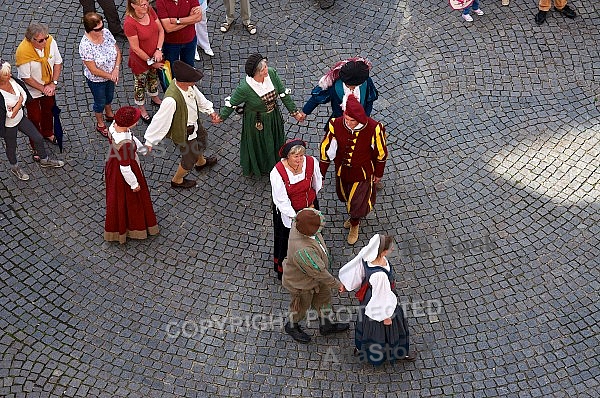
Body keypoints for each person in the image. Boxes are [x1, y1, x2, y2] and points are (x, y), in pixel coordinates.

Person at [216, 53, 305, 177]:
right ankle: (261, 166)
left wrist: (295, 113)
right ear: (257, 72)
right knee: (259, 143)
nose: (267, 69)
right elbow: (232, 104)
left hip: (273, 117)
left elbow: (283, 94)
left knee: (274, 139)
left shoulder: (272, 74)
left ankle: (276, 161)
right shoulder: (245, 88)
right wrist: (221, 117)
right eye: (264, 68)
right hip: (256, 121)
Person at [319, 94, 388, 245]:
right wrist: (321, 175)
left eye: (352, 121)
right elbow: (326, 150)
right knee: (344, 196)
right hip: (342, 171)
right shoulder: (335, 124)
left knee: (358, 203)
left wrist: (378, 173)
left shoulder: (374, 128)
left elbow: (381, 153)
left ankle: (355, 224)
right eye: (346, 119)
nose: (348, 123)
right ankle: (352, 218)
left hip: (363, 173)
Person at [338, 234, 416, 365]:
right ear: (381, 252)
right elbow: (382, 297)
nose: (391, 249)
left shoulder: (366, 255)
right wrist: (387, 316)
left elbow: (357, 272)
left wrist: (346, 285)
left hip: (368, 298)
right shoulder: (380, 275)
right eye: (389, 248)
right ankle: (399, 353)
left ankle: (360, 347)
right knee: (388, 330)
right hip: (379, 302)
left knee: (366, 324)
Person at [144, 60, 218, 189]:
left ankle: (201, 163)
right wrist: (150, 141)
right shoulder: (171, 100)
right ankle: (177, 180)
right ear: (184, 81)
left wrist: (210, 111)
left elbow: (199, 98)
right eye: (193, 80)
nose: (195, 82)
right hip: (184, 131)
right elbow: (160, 120)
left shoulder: (189, 86)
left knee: (201, 140)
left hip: (194, 124)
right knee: (189, 159)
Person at [282, 208, 350, 343]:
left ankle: (326, 325)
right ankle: (291, 326)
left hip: (317, 280)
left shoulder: (299, 222)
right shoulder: (303, 251)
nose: (321, 225)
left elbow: (309, 212)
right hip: (302, 285)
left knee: (324, 300)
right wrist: (338, 284)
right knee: (299, 308)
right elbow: (319, 272)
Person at [0, 60, 64, 181]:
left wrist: (18, 104)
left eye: (9, 72)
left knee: (38, 138)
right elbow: (10, 114)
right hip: (9, 126)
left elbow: (24, 95)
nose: (10, 75)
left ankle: (44, 160)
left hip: (21, 118)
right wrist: (19, 103)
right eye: (6, 74)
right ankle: (15, 168)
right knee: (11, 147)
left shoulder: (12, 80)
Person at [104, 106, 159, 243]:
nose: (137, 122)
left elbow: (132, 137)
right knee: (131, 199)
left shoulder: (114, 126)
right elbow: (125, 168)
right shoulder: (125, 145)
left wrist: (142, 149)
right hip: (124, 171)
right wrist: (134, 184)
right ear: (129, 124)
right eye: (135, 120)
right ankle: (133, 227)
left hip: (113, 163)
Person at [270, 139, 322, 280]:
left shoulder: (311, 162)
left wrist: (311, 203)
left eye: (301, 156)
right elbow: (281, 200)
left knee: (311, 237)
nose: (299, 160)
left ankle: (312, 263)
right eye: (295, 156)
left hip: (310, 208)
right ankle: (288, 269)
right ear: (288, 157)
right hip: (290, 214)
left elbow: (317, 183)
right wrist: (297, 217)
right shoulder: (277, 173)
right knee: (288, 241)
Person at [15, 22, 63, 161]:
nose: (45, 42)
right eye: (41, 40)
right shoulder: (23, 52)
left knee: (49, 111)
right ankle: (36, 144)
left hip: (49, 86)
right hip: (32, 92)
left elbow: (58, 63)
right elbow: (26, 78)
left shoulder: (50, 42)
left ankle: (48, 132)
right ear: (32, 40)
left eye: (46, 38)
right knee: (34, 118)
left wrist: (53, 84)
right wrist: (43, 89)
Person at [79, 12, 122, 138]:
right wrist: (111, 76)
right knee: (100, 102)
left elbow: (117, 51)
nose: (102, 30)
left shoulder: (106, 33)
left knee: (109, 96)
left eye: (102, 26)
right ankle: (100, 123)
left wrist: (116, 69)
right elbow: (93, 70)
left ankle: (109, 114)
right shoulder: (85, 46)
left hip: (111, 75)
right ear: (90, 30)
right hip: (96, 80)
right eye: (98, 29)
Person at [302, 57, 378, 128]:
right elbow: (317, 97)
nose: (353, 88)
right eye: (351, 86)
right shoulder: (333, 85)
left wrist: (366, 116)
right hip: (339, 120)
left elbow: (370, 99)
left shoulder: (367, 82)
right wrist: (305, 111)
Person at [124, 0, 165, 124]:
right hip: (141, 61)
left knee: (153, 79)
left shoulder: (150, 10)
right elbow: (136, 49)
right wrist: (152, 62)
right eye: (142, 4)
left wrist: (158, 50)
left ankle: (154, 97)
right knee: (140, 84)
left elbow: (161, 31)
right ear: (133, 5)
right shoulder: (129, 23)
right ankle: (141, 109)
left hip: (155, 55)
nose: (146, 6)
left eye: (146, 2)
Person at [156, 0, 202, 67]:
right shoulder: (161, 1)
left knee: (188, 68)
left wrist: (177, 21)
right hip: (171, 43)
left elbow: (198, 18)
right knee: (172, 69)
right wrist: (190, 19)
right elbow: (168, 28)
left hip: (190, 40)